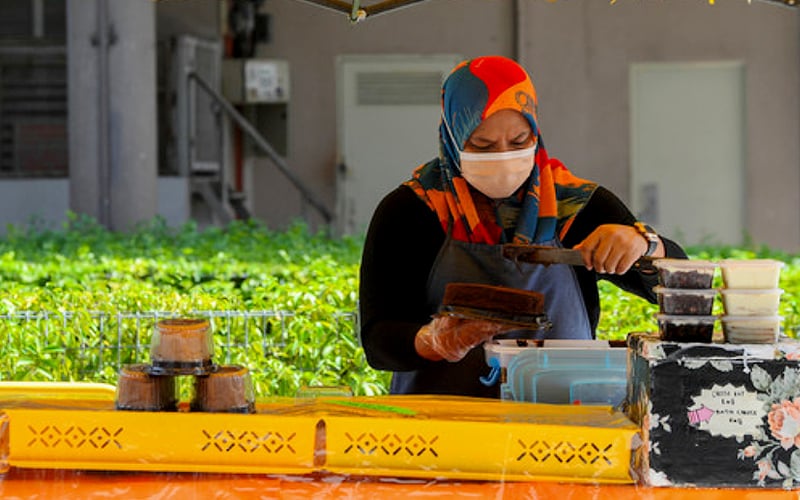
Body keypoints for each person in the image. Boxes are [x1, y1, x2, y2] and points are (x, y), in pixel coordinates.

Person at [358, 55, 687, 398]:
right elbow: (378, 340)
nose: (503, 157)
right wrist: (433, 341)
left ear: (535, 132)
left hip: (560, 418)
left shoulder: (576, 205)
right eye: (482, 145)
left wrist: (645, 244)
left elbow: (680, 287)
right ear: (453, 137)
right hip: (444, 420)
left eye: (518, 141)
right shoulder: (412, 210)